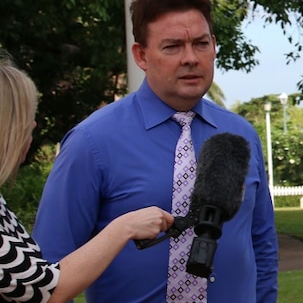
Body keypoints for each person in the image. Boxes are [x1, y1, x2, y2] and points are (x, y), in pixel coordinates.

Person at [32, 0, 278, 302]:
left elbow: (262, 245)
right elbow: (49, 265)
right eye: (172, 46)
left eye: (201, 44)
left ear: (214, 46)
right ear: (141, 55)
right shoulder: (91, 142)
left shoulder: (240, 136)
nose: (190, 58)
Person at [0, 53, 173, 302]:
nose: (34, 127)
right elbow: (43, 291)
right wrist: (124, 227)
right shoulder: (89, 141)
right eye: (26, 119)